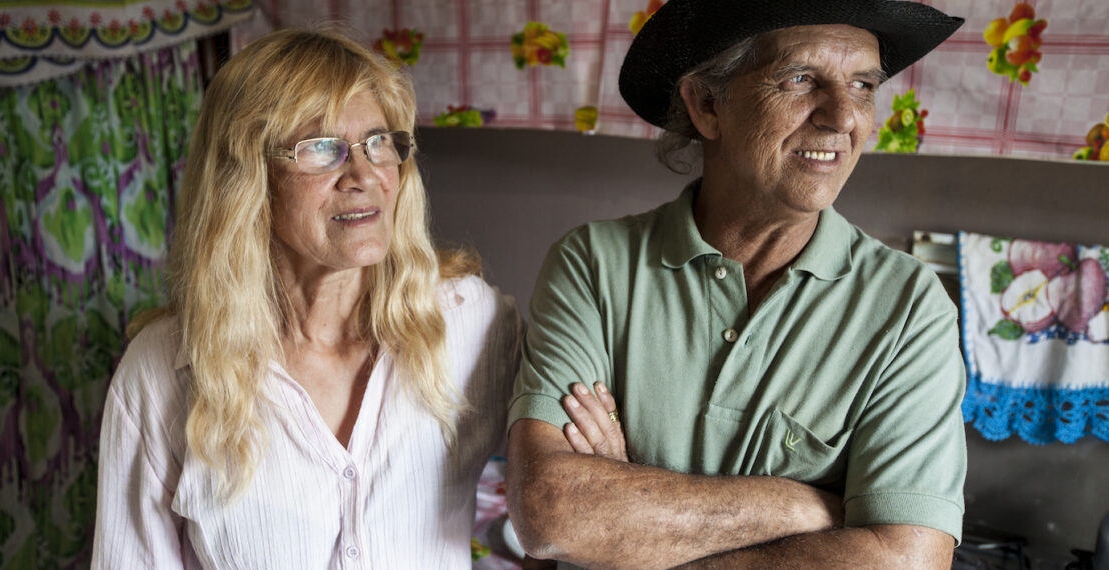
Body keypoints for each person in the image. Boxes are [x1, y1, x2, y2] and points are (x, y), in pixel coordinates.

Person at [506, 0, 967, 568]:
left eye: (863, 85)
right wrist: (801, 507)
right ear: (706, 104)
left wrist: (630, 527)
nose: (844, 117)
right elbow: (553, 513)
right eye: (801, 79)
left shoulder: (908, 308)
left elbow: (908, 561)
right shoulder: (595, 263)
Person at [92, 28, 522, 568]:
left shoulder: (468, 322)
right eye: (321, 148)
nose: (364, 175)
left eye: (378, 142)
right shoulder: (162, 374)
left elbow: (563, 483)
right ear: (246, 179)